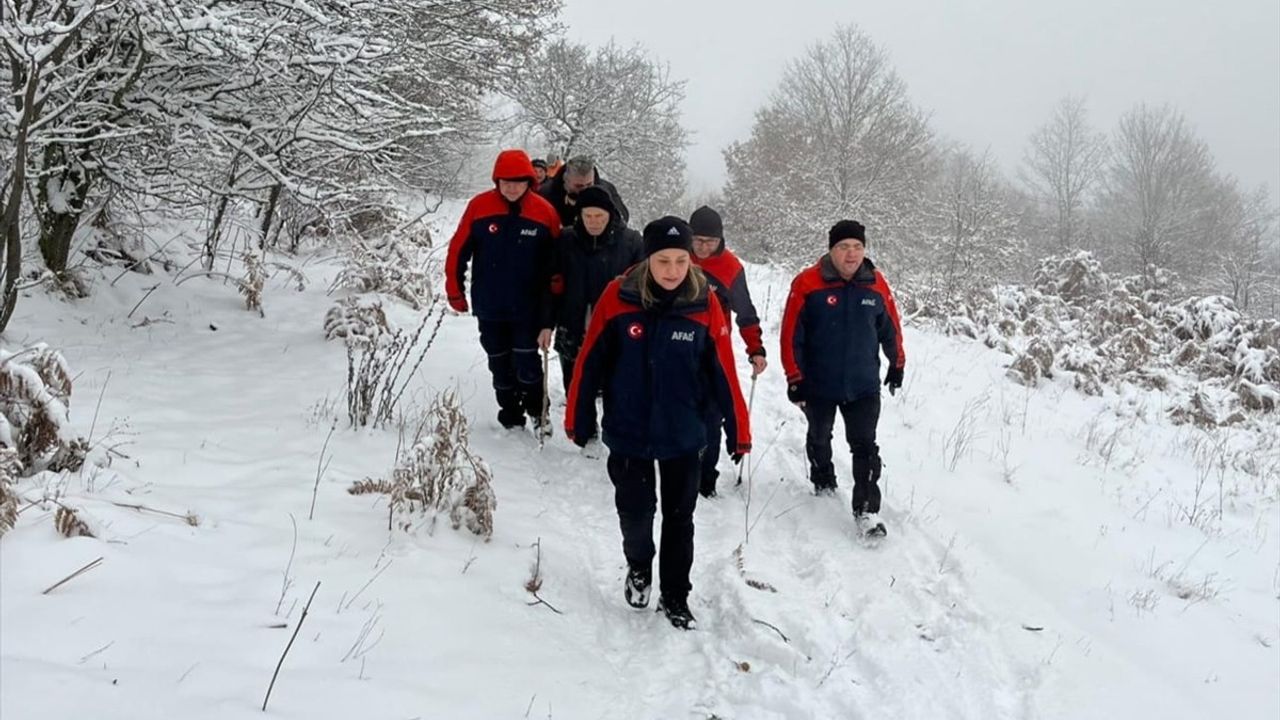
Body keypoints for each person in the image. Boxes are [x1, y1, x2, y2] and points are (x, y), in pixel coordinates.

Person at [565, 216, 752, 630]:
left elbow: (724, 371)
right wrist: (577, 415)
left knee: (679, 519)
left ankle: (675, 595)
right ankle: (638, 566)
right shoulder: (618, 296)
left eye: (681, 261)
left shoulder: (705, 304)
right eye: (663, 261)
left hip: (684, 432)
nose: (672, 271)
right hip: (628, 429)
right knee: (635, 513)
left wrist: (739, 430)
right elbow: (589, 360)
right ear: (648, 259)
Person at [779, 220, 905, 537]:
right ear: (831, 250)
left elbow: (890, 326)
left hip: (863, 384)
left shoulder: (875, 283)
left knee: (865, 446)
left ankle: (866, 511)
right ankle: (822, 477)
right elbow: (791, 334)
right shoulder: (808, 283)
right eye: (844, 247)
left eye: (858, 247)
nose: (851, 254)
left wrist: (897, 362)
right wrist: (794, 377)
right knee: (820, 435)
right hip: (818, 383)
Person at [445, 149, 561, 431]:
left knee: (526, 362)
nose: (511, 187)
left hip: (527, 306)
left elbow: (555, 270)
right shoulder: (480, 207)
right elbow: (458, 250)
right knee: (498, 361)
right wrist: (455, 291)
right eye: (505, 181)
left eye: (518, 182)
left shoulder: (544, 213)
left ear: (529, 182)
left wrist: (550, 315)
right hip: (490, 303)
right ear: (496, 180)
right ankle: (510, 413)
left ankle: (537, 410)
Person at [549, 186, 644, 441]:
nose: (593, 222)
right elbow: (552, 284)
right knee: (577, 382)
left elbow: (645, 285)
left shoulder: (632, 242)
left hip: (615, 327)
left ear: (610, 215)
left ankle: (615, 432)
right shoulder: (566, 240)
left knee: (615, 384)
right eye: (588, 216)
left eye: (599, 217)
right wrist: (546, 323)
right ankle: (585, 432)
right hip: (573, 321)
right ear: (579, 215)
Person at [688, 205, 766, 498]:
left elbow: (745, 312)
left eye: (710, 241)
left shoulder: (730, 268)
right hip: (677, 349)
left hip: (714, 351)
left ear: (720, 240)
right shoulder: (677, 258)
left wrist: (755, 347)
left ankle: (706, 477)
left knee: (711, 415)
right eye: (698, 240)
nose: (703, 247)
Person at [539, 155, 630, 228]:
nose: (585, 190)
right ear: (566, 180)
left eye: (589, 184)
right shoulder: (547, 194)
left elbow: (622, 220)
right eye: (579, 186)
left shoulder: (606, 190)